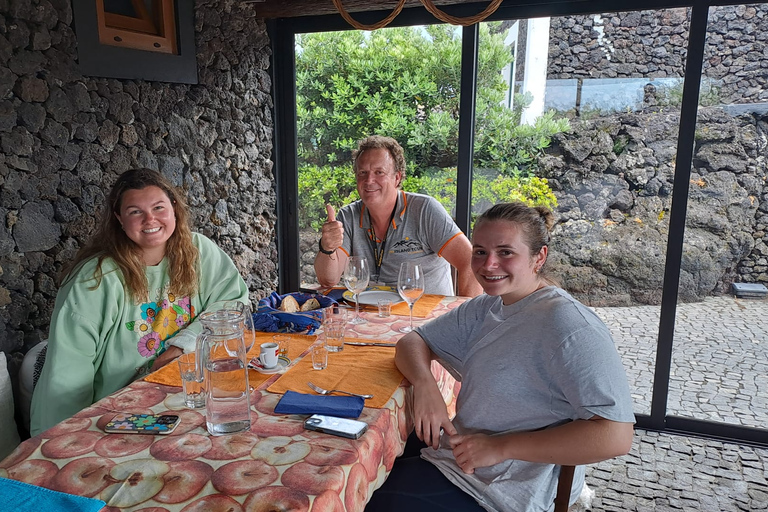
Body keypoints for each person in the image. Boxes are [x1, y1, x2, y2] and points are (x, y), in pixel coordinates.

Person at [367, 202, 635, 512]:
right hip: (460, 460)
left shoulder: (569, 326)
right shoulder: (488, 306)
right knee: (368, 453)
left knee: (359, 500)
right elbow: (412, 342)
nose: (488, 264)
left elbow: (616, 436)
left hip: (501, 490)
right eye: (480, 251)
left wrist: (500, 447)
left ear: (539, 257)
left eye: (505, 252)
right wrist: (426, 384)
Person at [30, 169, 249, 435]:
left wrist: (182, 347)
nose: (150, 219)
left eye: (159, 207)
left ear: (175, 209)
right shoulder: (96, 280)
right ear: (119, 219)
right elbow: (67, 374)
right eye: (135, 212)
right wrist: (65, 437)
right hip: (116, 417)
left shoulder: (199, 251)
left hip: (186, 398)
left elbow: (232, 304)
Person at [314, 135, 482, 297]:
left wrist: (466, 320)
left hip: (428, 318)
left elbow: (469, 261)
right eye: (362, 173)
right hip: (372, 317)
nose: (369, 180)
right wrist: (327, 247)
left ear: (397, 177)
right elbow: (328, 280)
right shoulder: (348, 215)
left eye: (379, 172)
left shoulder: (424, 210)